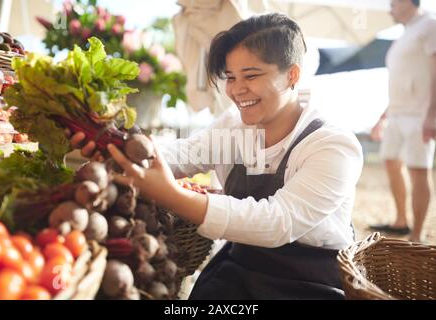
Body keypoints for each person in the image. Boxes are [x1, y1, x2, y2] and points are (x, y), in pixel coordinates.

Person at [70, 13, 363, 299]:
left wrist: (173, 196)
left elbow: (278, 222)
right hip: (240, 267)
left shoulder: (332, 145)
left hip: (309, 284)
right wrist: (115, 146)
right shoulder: (234, 125)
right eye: (231, 77)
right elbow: (186, 153)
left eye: (251, 75)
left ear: (292, 75)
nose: (236, 90)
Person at [370, 0, 436, 242]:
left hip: (419, 114)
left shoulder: (430, 25)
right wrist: (382, 117)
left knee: (418, 170)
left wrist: (432, 115)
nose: (390, 8)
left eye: (393, 3)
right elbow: (402, 79)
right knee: (390, 162)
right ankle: (401, 221)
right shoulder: (405, 34)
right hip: (397, 113)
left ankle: (417, 234)